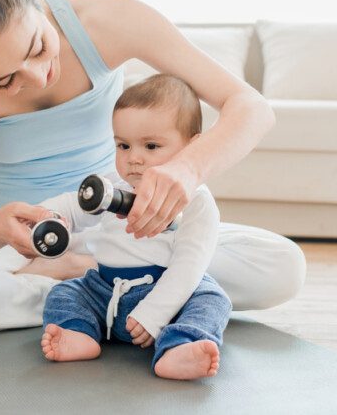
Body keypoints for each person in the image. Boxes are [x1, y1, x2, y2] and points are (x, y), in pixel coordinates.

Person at [0, 0, 305, 339]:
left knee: (282, 265)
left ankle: (93, 295)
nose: (37, 77)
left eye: (36, 47)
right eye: (4, 81)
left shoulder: (110, 20)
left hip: (125, 236)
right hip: (28, 257)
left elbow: (250, 107)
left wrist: (187, 169)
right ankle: (105, 293)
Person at [39, 74, 230, 380]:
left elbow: (189, 266)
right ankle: (79, 333)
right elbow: (72, 206)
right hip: (103, 291)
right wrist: (46, 216)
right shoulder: (112, 185)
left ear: (192, 146)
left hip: (165, 295)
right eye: (123, 145)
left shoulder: (196, 201)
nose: (134, 159)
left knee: (212, 299)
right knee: (63, 293)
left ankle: (179, 345)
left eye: (151, 146)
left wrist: (156, 313)